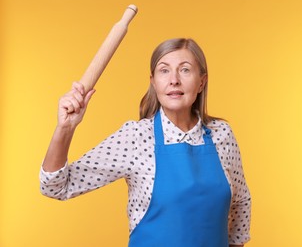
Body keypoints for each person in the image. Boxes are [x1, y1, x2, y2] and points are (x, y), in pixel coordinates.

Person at [40, 38, 251, 246]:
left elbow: (241, 203)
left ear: (201, 82)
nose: (174, 80)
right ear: (153, 81)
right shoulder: (136, 137)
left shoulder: (221, 134)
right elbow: (55, 186)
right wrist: (65, 129)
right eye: (164, 70)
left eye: (185, 70)